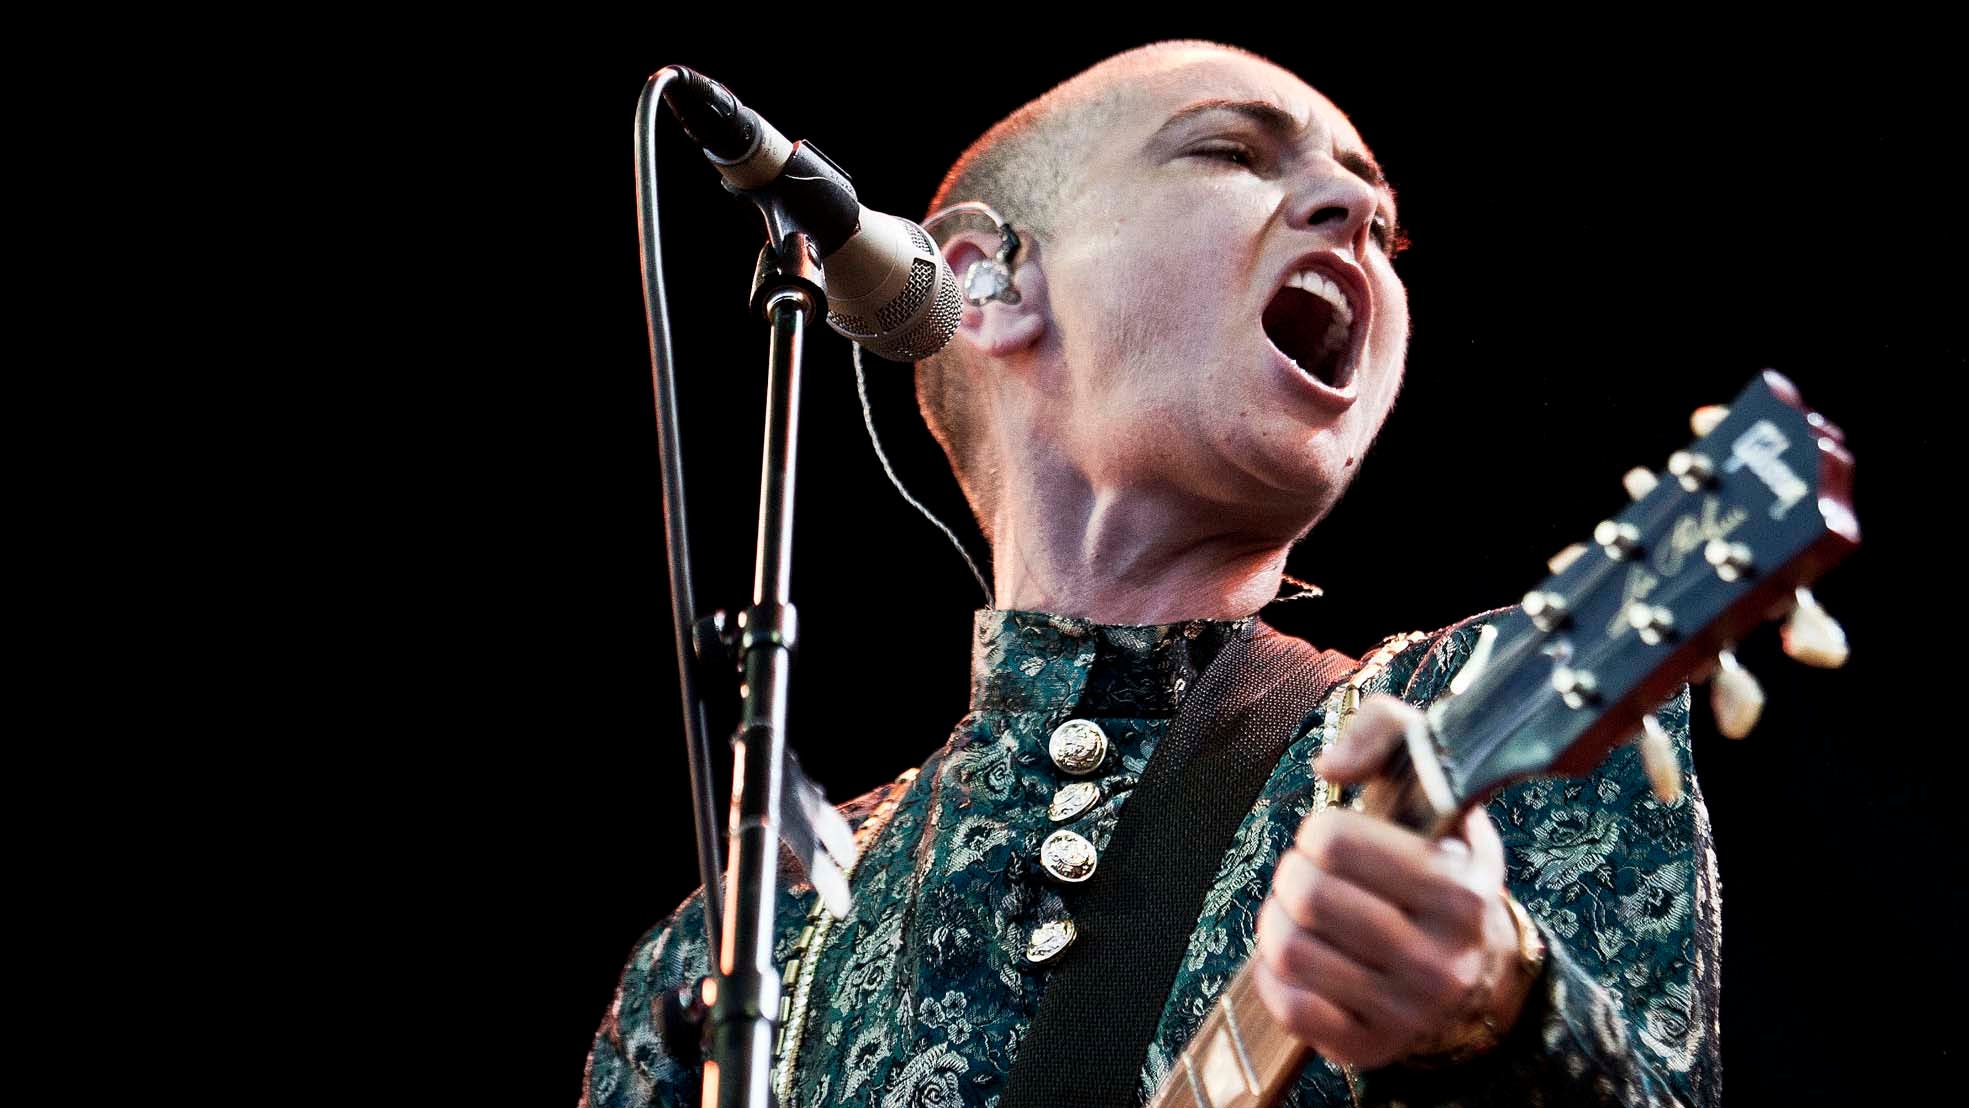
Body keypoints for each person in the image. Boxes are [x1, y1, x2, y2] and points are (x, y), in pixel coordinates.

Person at [583, 40, 1719, 1108]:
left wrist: (1504, 1013)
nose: (1358, 213)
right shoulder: (738, 947)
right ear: (985, 282)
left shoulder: (1474, 709)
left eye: (1388, 227)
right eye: (1229, 151)